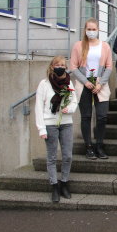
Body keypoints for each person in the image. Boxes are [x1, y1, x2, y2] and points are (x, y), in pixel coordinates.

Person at [35, 56, 78, 203]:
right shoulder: (44, 84)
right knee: (52, 157)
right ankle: (54, 186)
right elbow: (39, 107)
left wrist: (69, 109)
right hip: (50, 123)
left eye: (63, 65)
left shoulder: (69, 82)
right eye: (57, 64)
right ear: (52, 66)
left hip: (66, 122)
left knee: (67, 156)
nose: (60, 67)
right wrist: (41, 128)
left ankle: (64, 183)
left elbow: (74, 100)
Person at [70, 18, 112, 160]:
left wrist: (100, 83)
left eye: (94, 29)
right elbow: (73, 67)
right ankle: (88, 147)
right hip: (84, 85)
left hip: (101, 85)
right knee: (86, 117)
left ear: (98, 30)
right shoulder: (78, 45)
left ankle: (99, 145)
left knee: (102, 117)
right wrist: (86, 81)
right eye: (89, 29)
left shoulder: (105, 46)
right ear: (85, 30)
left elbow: (109, 67)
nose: (91, 32)